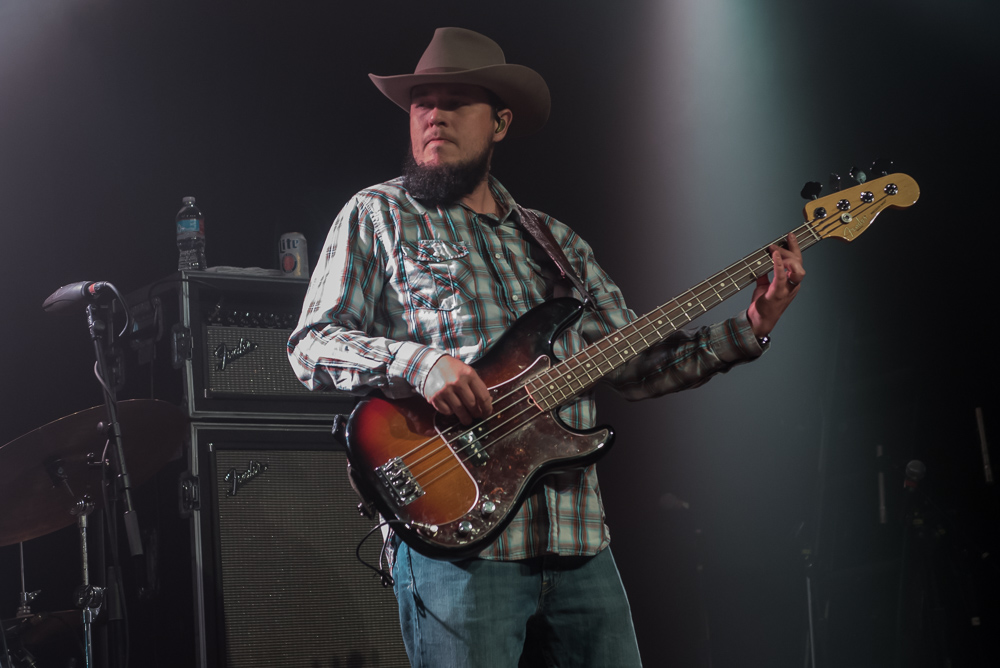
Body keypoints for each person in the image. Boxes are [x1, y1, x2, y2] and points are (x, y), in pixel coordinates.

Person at [288, 26, 804, 668]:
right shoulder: (377, 215)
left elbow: (639, 367)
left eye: (455, 101)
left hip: (579, 540)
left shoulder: (556, 242)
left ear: (500, 122)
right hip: (460, 546)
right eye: (423, 102)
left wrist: (751, 326)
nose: (433, 116)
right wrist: (420, 363)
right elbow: (312, 345)